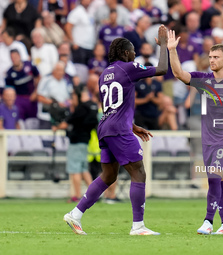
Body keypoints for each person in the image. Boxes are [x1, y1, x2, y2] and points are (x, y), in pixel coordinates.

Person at [63, 25, 168, 235]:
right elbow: (162, 69)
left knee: (108, 176)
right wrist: (164, 45)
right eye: (132, 51)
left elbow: (111, 107)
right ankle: (138, 226)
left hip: (106, 127)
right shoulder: (128, 68)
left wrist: (133, 126)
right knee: (138, 172)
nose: (135, 53)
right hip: (118, 129)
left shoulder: (104, 74)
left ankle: (75, 214)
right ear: (124, 53)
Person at [167, 30, 223, 235]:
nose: (212, 60)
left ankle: (208, 221)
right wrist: (172, 51)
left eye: (216, 57)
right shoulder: (203, 81)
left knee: (214, 177)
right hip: (208, 140)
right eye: (210, 57)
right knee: (220, 182)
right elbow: (180, 74)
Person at [52, 86, 98, 203]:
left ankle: (77, 196)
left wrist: (56, 126)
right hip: (85, 140)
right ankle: (94, 194)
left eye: (73, 96)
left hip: (76, 141)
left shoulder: (81, 108)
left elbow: (67, 123)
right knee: (83, 169)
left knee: (75, 169)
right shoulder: (93, 106)